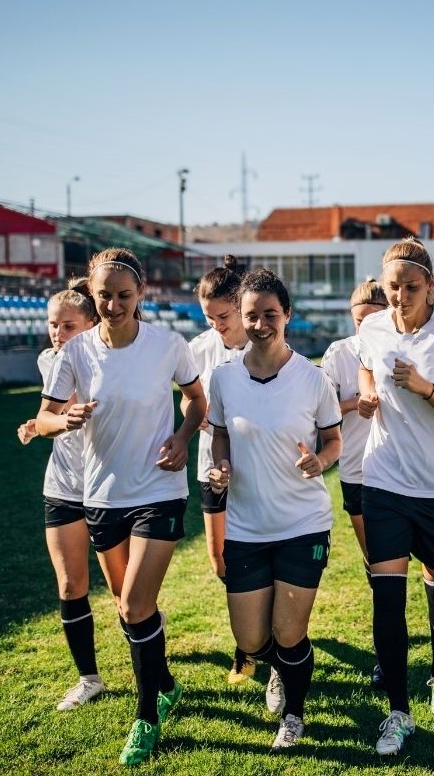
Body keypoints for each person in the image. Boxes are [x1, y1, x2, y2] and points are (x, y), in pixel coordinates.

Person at [36, 248, 206, 766]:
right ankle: (167, 681)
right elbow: (42, 418)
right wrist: (63, 421)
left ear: (141, 295)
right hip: (102, 496)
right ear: (93, 293)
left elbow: (196, 400)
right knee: (131, 610)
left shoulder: (166, 345)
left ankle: (146, 716)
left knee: (134, 605)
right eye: (103, 295)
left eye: (123, 296)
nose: (112, 305)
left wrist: (182, 437)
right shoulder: (77, 352)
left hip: (159, 489)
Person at [206, 267, 343, 751]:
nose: (261, 324)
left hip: (302, 524)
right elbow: (220, 431)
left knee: (289, 633)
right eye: (252, 316)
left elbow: (333, 440)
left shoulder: (313, 378)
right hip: (245, 525)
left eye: (270, 314)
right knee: (249, 638)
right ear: (241, 320)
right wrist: (221, 464)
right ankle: (277, 667)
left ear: (287, 315)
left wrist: (319, 462)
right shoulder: (222, 379)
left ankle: (294, 713)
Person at [355, 237, 434, 756]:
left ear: (430, 285)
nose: (400, 296)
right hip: (383, 479)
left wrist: (425, 387)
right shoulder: (373, 327)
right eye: (392, 287)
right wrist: (368, 392)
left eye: (410, 286)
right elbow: (366, 364)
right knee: (386, 594)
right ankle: (398, 712)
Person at [17, 280, 103, 711]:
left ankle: (149, 643)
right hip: (63, 484)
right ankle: (88, 678)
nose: (58, 332)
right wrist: (38, 424)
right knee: (71, 585)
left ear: (91, 324)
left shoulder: (106, 359)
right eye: (53, 324)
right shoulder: (47, 359)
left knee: (128, 597)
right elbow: (49, 411)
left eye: (68, 325)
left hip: (108, 486)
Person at [186, 255, 255, 686]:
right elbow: (187, 399)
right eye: (209, 318)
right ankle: (256, 639)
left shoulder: (264, 342)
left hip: (255, 470)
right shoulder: (198, 348)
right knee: (219, 561)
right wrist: (197, 419)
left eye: (224, 316)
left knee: (249, 557)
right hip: (212, 467)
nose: (217, 326)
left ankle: (247, 650)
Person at [320, 277, 388, 689]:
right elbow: (320, 408)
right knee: (376, 564)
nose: (366, 326)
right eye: (359, 319)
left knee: (402, 565)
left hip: (400, 469)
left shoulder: (400, 346)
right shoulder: (339, 353)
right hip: (357, 471)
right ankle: (385, 652)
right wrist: (355, 403)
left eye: (374, 318)